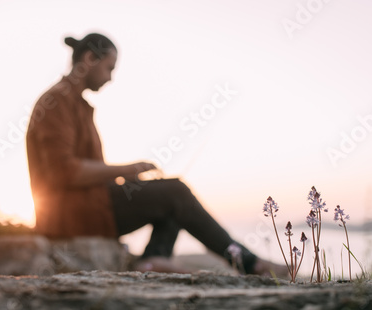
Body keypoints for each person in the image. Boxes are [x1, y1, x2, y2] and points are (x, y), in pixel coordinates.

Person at [26, 32, 287, 276]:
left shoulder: (77, 105)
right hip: (69, 215)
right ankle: (251, 264)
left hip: (89, 205)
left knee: (168, 193)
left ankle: (154, 258)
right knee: (175, 192)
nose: (110, 77)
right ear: (90, 59)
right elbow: (63, 172)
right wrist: (126, 170)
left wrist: (127, 182)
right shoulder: (58, 101)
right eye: (109, 68)